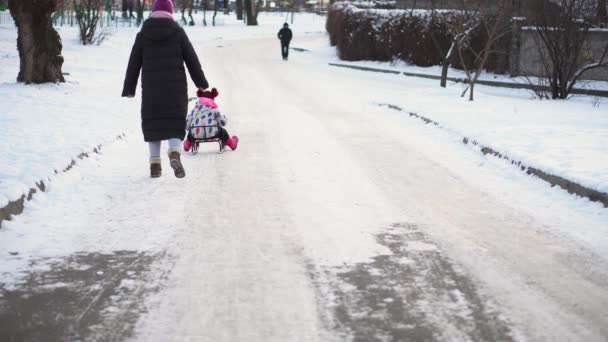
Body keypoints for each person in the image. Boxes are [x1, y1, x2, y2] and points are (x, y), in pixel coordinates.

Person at [121, 0, 208, 179]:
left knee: (153, 125)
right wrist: (201, 82)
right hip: (175, 90)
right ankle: (175, 153)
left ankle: (155, 166)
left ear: (152, 12)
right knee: (175, 123)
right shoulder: (178, 33)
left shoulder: (143, 35)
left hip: (152, 90)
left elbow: (133, 63)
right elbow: (192, 59)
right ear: (170, 12)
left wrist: (129, 88)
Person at [184, 87, 239, 153]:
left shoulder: (195, 109)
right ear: (212, 99)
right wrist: (224, 119)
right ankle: (232, 144)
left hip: (196, 134)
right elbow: (222, 121)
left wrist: (189, 128)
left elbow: (188, 122)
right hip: (213, 133)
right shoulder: (214, 109)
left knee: (191, 133)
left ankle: (187, 145)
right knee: (223, 132)